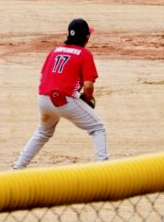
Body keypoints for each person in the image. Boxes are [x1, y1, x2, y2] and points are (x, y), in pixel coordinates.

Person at [13, 18, 107, 169]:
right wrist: (87, 99)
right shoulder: (84, 54)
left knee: (43, 133)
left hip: (43, 98)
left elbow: (43, 76)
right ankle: (104, 169)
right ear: (86, 37)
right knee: (98, 128)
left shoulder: (55, 50)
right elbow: (88, 85)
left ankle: (17, 167)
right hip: (64, 100)